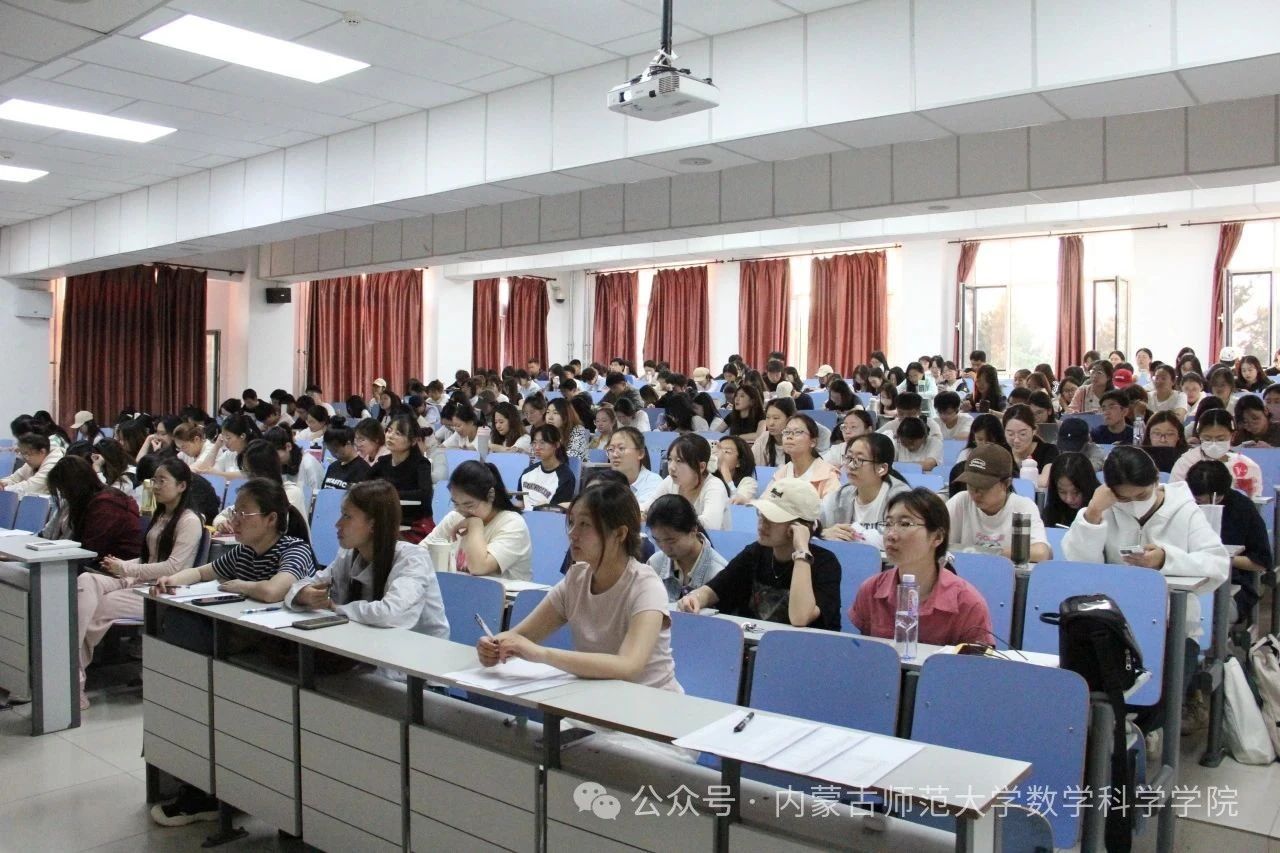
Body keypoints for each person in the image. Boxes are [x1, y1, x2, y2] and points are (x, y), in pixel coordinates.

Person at [476, 481, 680, 691]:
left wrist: (541, 654)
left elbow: (628, 666)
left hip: (650, 701)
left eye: (585, 524)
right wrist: (495, 646)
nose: (572, 533)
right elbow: (522, 636)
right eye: (572, 522)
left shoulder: (646, 586)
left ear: (619, 534)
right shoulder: (576, 578)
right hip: (598, 698)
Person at [1062, 446, 1228, 639]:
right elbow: (1080, 567)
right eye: (1124, 498)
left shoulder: (1184, 510)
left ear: (1156, 479)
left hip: (1172, 626)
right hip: (1112, 623)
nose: (1134, 503)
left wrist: (1165, 559)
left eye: (1142, 495)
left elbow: (1218, 563)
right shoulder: (1104, 509)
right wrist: (1092, 514)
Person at [80, 458, 202, 708]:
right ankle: (68, 669)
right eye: (154, 480)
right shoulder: (161, 515)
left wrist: (126, 568)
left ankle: (74, 680)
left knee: (97, 608)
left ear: (182, 486)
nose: (155, 486)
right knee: (85, 581)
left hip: (163, 589)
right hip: (139, 581)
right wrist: (122, 565)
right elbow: (150, 558)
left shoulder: (189, 521)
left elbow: (173, 567)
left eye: (162, 481)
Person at [677, 478, 841, 631]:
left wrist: (802, 553)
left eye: (773, 518)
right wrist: (695, 598)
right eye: (761, 514)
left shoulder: (826, 564)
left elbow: (800, 618)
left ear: (801, 526)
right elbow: (714, 589)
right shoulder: (754, 553)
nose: (763, 523)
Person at [850, 488, 993, 646]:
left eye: (905, 524)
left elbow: (976, 661)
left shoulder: (968, 604)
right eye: (888, 524)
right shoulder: (871, 590)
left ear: (937, 537)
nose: (891, 535)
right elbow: (865, 655)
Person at [153, 478, 316, 603]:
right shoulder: (244, 551)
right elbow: (200, 573)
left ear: (271, 519)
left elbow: (272, 591)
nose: (234, 521)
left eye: (243, 514)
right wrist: (172, 581)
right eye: (235, 513)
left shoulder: (295, 550)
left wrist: (241, 586)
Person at [1185, 460, 1272, 622]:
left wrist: (1222, 557)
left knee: (1203, 615)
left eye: (1215, 499)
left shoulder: (1242, 508)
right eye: (1198, 500)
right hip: (1187, 579)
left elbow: (1261, 562)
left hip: (1233, 585)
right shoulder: (1184, 505)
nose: (1204, 505)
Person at [424, 461, 532, 580]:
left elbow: (478, 567)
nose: (462, 511)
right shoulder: (455, 517)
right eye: (456, 504)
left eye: (469, 505)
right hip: (459, 588)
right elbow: (419, 554)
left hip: (500, 592)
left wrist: (475, 526)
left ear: (490, 495)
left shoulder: (513, 524)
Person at [946, 445, 1051, 562]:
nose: (976, 493)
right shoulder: (961, 502)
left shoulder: (1023, 507)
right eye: (970, 485)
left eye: (984, 487)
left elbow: (1041, 553)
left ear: (1006, 483)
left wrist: (989, 553)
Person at [45, 455, 142, 566]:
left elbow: (91, 551)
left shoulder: (106, 505)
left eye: (63, 489)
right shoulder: (91, 501)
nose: (62, 495)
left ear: (74, 487)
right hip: (101, 561)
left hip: (118, 565)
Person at [820, 432, 910, 549]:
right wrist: (823, 533)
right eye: (849, 458)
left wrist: (856, 534)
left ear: (882, 468)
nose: (851, 465)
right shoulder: (840, 496)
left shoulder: (902, 500)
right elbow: (810, 524)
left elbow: (903, 540)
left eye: (860, 459)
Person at [646, 494, 728, 601]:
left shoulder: (719, 573)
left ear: (693, 530)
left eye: (671, 540)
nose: (664, 548)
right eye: (657, 540)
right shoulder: (654, 564)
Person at [370, 414, 435, 542]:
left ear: (413, 441)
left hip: (413, 525)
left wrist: (388, 494)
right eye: (389, 431)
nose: (390, 436)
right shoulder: (383, 462)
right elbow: (364, 483)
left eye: (398, 433)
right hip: (386, 522)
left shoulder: (421, 464)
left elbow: (425, 494)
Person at [643, 434, 730, 529]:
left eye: (679, 461)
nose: (671, 467)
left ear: (701, 467)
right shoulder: (670, 481)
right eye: (670, 459)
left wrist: (666, 519)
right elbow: (646, 508)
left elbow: (710, 525)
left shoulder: (715, 486)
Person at [1170, 409, 1263, 497]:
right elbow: (1175, 496)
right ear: (1199, 436)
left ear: (1233, 435)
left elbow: (1254, 499)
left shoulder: (1245, 465)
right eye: (1207, 439)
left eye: (1220, 439)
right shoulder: (1186, 462)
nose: (1214, 444)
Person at [770, 414, 841, 498]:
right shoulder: (782, 473)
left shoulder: (827, 475)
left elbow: (831, 506)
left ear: (813, 442)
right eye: (786, 432)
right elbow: (766, 500)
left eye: (797, 432)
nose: (789, 436)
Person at [520, 424, 576, 510]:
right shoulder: (527, 472)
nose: (537, 447)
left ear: (556, 445)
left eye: (542, 443)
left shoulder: (566, 478)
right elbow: (520, 503)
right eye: (534, 443)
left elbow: (558, 512)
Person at [1040, 451, 1099, 528]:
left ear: (1087, 486)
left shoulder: (1104, 510)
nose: (1069, 500)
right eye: (1062, 492)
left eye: (1076, 492)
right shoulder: (1052, 510)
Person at [606, 427, 662, 506]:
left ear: (640, 453)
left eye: (621, 448)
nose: (614, 455)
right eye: (611, 449)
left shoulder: (654, 482)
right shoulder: (605, 482)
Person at [1003, 404, 1058, 479]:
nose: (1016, 440)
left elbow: (1044, 481)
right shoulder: (1001, 452)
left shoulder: (1048, 451)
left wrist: (1008, 482)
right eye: (1010, 434)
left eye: (1022, 434)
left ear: (1034, 431)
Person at [320, 421, 372, 490]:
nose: (334, 455)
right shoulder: (332, 467)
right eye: (331, 451)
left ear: (348, 443)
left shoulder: (364, 470)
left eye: (336, 450)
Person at [713, 435, 758, 505]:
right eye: (718, 450)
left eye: (726, 451)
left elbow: (736, 504)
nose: (720, 455)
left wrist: (725, 470)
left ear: (738, 462)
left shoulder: (748, 482)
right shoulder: (708, 478)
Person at [752, 397, 796, 467]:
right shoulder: (763, 439)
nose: (771, 423)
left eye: (776, 418)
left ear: (789, 419)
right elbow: (755, 467)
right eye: (767, 417)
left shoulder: (800, 441)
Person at [546, 397, 591, 461]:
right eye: (548, 412)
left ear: (566, 416)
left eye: (555, 413)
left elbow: (574, 456)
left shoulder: (578, 430)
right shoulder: (547, 432)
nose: (550, 417)